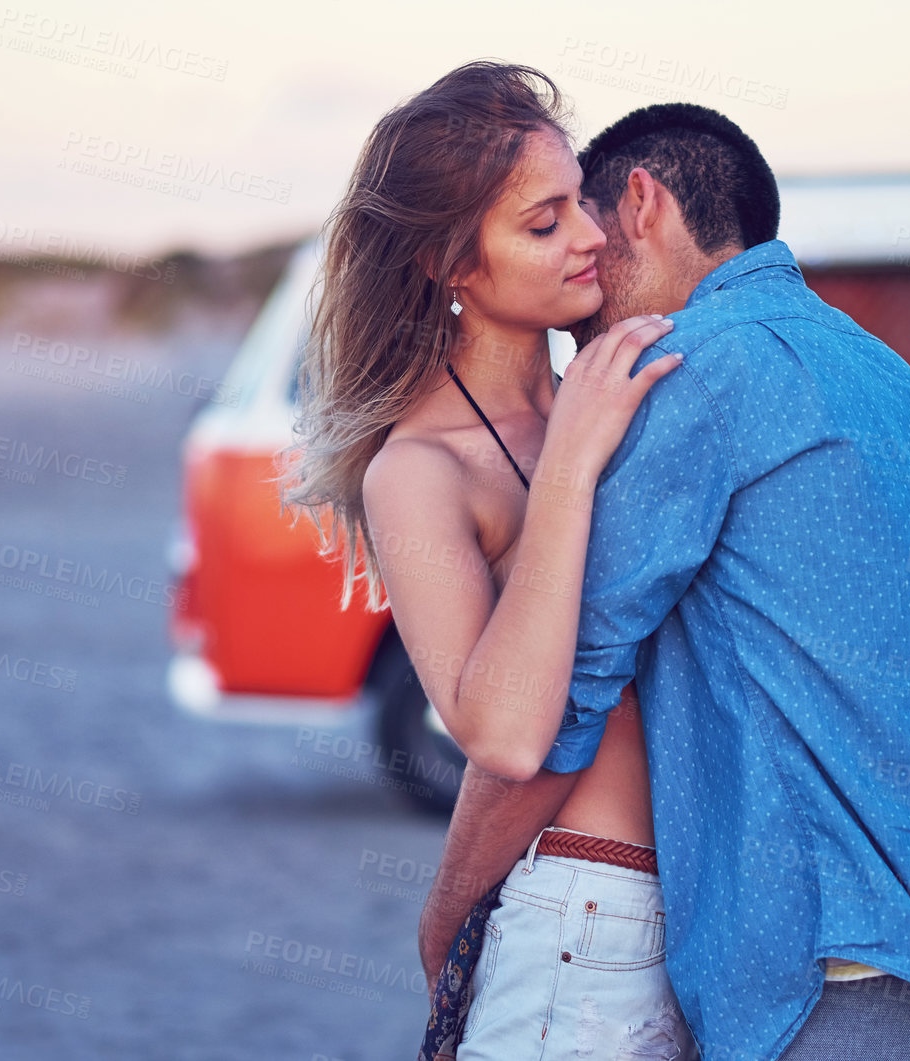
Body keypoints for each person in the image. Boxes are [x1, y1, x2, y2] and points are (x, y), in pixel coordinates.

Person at [416, 102, 910, 1060]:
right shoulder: (897, 382)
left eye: (591, 236)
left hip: (846, 967)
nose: (589, 281)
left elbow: (561, 702)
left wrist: (448, 917)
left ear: (641, 203)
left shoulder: (694, 370)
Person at [277, 62, 695, 1059]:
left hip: (710, 912)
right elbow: (503, 732)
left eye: (581, 207)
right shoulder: (420, 470)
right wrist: (571, 468)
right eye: (543, 224)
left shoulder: (602, 391)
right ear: (450, 263)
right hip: (587, 927)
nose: (592, 237)